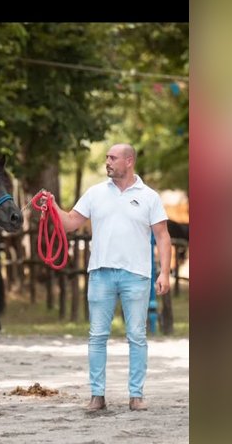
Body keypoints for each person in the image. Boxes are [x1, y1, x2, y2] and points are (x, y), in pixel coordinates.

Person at [44, 144, 171, 411]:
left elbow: (162, 236)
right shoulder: (95, 193)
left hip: (136, 275)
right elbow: (70, 223)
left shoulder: (149, 196)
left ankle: (136, 395)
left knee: (136, 336)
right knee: (97, 335)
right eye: (107, 158)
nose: (108, 162)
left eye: (113, 158)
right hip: (100, 273)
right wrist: (53, 206)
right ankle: (97, 395)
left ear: (129, 161)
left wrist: (164, 272)